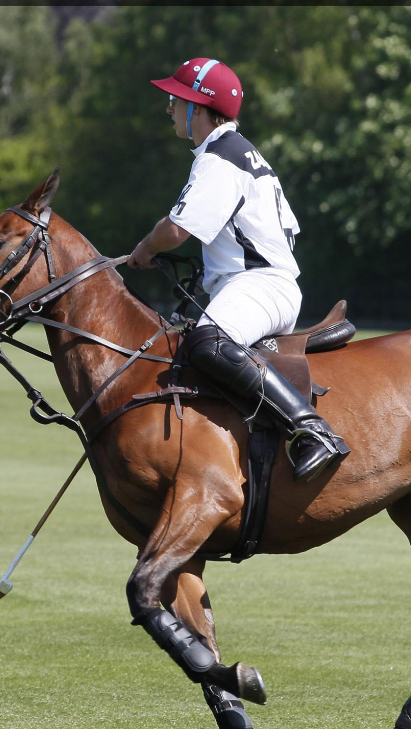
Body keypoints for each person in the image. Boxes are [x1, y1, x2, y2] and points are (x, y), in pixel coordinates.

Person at [119, 57, 349, 481]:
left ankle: (311, 430)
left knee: (208, 342)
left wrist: (145, 249)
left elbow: (174, 230)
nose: (169, 106)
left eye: (178, 99)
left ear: (200, 108)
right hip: (257, 285)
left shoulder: (222, 156)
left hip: (263, 286)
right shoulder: (235, 153)